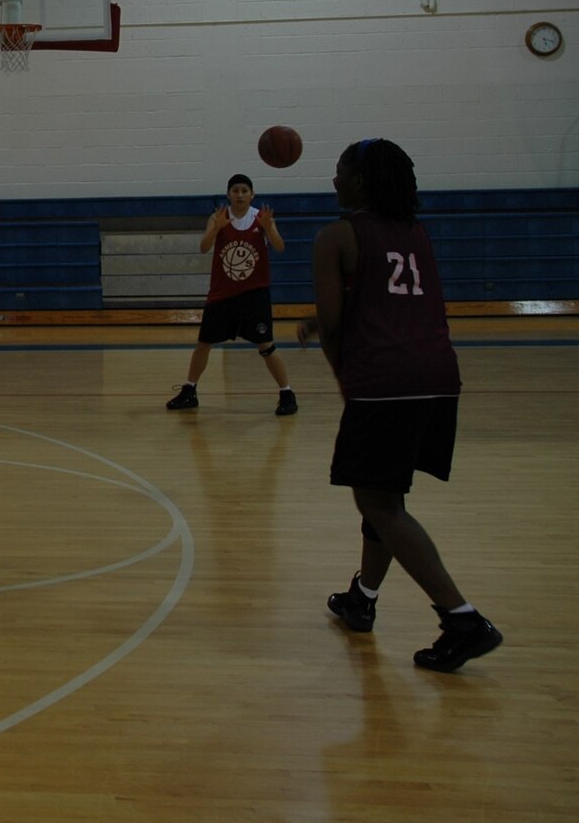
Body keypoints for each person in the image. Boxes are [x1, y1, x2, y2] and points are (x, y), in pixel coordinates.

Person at [297, 138, 501, 672]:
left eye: (340, 170)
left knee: (380, 504)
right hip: (438, 377)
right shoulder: (416, 233)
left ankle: (462, 618)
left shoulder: (334, 236)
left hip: (385, 383)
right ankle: (362, 597)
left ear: (360, 180)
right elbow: (395, 301)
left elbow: (336, 327)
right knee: (383, 497)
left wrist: (348, 382)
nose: (334, 179)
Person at [167, 173, 296, 414]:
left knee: (266, 345)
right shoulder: (218, 218)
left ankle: (287, 393)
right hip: (222, 294)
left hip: (253, 294)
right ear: (228, 194)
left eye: (244, 190)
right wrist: (216, 229)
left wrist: (269, 228)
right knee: (203, 344)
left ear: (252, 195)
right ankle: (189, 390)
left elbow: (279, 247)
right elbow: (204, 247)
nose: (239, 194)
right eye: (235, 190)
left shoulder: (261, 218)